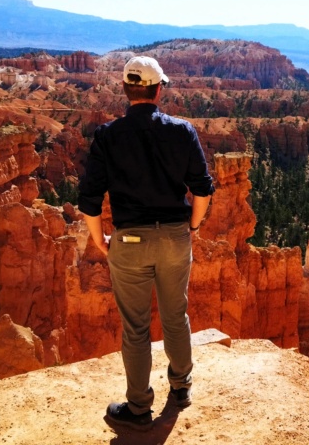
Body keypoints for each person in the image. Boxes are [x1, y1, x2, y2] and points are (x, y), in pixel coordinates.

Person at [78, 55, 214, 432]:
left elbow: (89, 198)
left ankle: (138, 408)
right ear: (158, 90)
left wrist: (101, 240)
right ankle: (181, 387)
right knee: (176, 315)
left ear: (126, 90)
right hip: (173, 238)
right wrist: (192, 225)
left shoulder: (107, 136)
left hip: (130, 240)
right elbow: (202, 189)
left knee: (136, 328)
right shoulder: (182, 131)